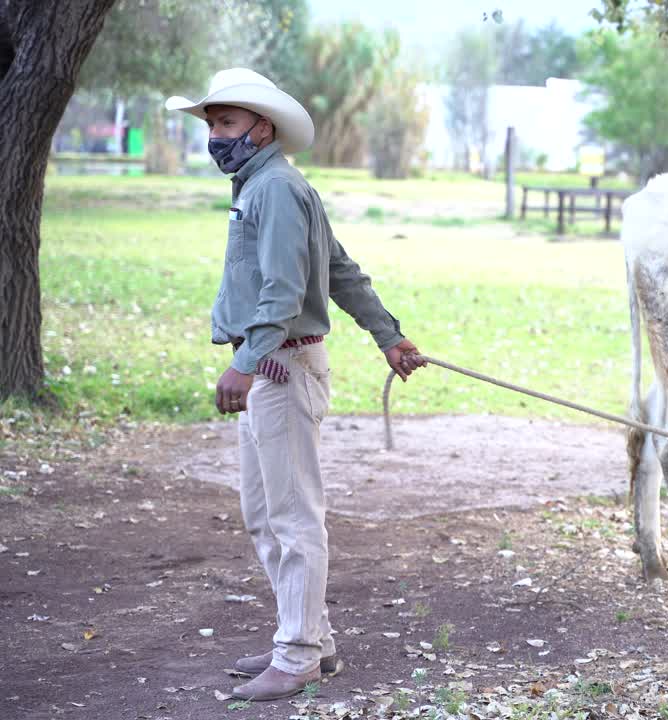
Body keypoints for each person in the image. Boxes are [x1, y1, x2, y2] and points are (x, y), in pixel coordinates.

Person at [166, 68, 427, 701]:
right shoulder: (268, 185)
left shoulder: (276, 189)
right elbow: (340, 270)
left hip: (280, 366)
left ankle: (300, 654)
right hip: (275, 365)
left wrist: (245, 362)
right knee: (265, 514)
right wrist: (387, 335)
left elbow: (284, 291)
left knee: (291, 515)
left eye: (227, 124)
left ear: (263, 127)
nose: (217, 137)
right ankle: (309, 636)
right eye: (212, 125)